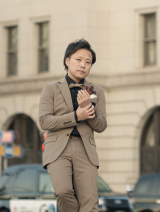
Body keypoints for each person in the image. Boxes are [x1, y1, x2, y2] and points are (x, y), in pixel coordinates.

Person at [39, 39, 107, 212]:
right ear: (67, 60)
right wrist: (76, 116)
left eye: (88, 62)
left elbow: (100, 126)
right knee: (62, 191)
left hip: (85, 149)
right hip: (58, 148)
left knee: (90, 201)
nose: (83, 65)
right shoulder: (51, 89)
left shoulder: (96, 91)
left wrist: (87, 108)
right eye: (78, 60)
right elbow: (44, 121)